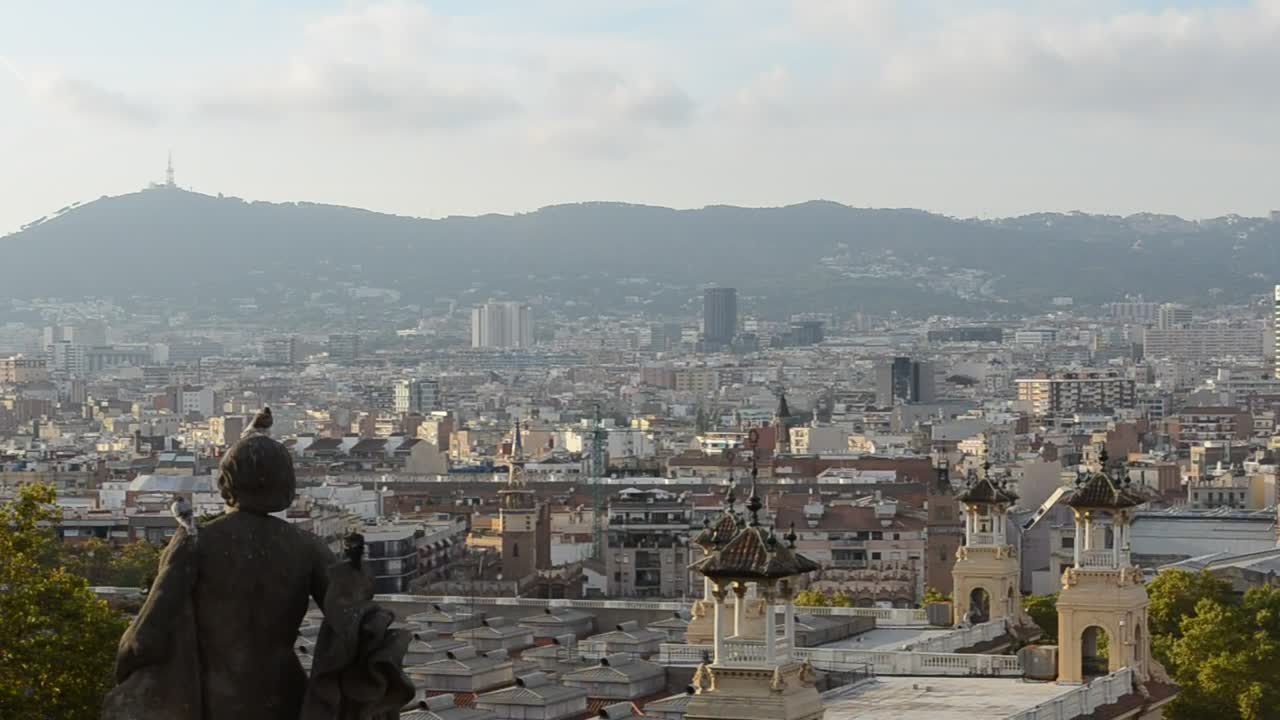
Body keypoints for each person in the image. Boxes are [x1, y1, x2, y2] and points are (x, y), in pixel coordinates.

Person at [104, 433, 336, 720]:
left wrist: (125, 670)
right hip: (288, 699)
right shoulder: (309, 547)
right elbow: (353, 622)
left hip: (215, 701)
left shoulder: (196, 542)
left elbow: (148, 632)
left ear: (226, 481)